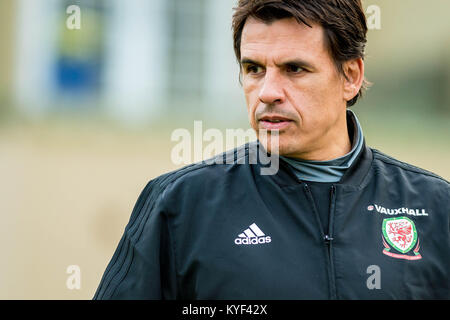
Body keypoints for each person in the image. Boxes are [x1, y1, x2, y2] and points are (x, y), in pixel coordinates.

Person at [94, 0, 449, 299]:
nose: (267, 92)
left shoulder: (436, 208)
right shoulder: (180, 204)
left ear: (350, 76)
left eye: (294, 69)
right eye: (253, 69)